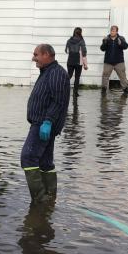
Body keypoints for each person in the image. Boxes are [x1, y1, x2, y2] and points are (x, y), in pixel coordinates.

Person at [21, 44, 70, 204]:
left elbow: (58, 101)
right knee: (44, 162)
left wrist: (48, 121)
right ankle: (50, 197)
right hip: (42, 124)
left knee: (28, 157)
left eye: (36, 54)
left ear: (47, 55)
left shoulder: (57, 74)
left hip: (43, 125)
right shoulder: (47, 72)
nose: (33, 57)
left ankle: (40, 200)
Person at [100, 25, 128, 94]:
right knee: (105, 76)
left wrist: (121, 43)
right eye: (111, 31)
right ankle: (103, 89)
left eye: (113, 31)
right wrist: (104, 42)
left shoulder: (121, 38)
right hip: (108, 62)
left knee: (123, 77)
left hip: (119, 62)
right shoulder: (106, 39)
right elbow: (102, 49)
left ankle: (125, 90)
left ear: (116, 31)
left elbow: (126, 46)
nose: (112, 32)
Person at [64, 27, 88, 97]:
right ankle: (75, 93)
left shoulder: (69, 40)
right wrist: (85, 64)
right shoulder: (81, 41)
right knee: (77, 77)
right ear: (80, 33)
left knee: (69, 76)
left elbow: (66, 51)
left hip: (70, 61)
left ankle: (63, 90)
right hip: (78, 62)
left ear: (74, 32)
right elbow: (84, 53)